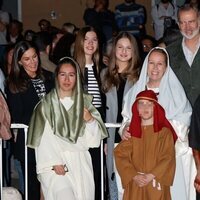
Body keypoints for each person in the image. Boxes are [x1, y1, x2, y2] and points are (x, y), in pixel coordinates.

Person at [119, 47, 196, 200]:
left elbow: (183, 122)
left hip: (167, 154)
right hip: (140, 156)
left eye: (160, 64)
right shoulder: (134, 91)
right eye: (151, 63)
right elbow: (127, 118)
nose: (155, 68)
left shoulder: (176, 93)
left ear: (166, 67)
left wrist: (159, 130)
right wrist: (125, 129)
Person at [27, 57, 108, 200]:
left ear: (76, 78)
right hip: (56, 164)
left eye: (71, 75)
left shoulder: (85, 103)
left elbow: (93, 142)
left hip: (81, 162)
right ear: (56, 76)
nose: (67, 79)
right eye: (62, 74)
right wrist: (53, 161)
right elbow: (43, 137)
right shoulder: (46, 105)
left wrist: (90, 121)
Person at [6, 41, 53, 199]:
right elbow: (17, 115)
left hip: (51, 139)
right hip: (30, 141)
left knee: (52, 184)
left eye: (34, 57)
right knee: (32, 186)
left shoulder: (47, 77)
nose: (33, 62)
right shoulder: (14, 83)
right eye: (27, 59)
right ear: (19, 61)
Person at [114, 90, 176, 199]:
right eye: (141, 103)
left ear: (155, 107)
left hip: (156, 182)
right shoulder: (132, 133)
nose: (145, 107)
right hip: (136, 184)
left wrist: (151, 175)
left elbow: (168, 157)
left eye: (149, 104)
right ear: (136, 108)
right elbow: (120, 154)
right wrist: (134, 175)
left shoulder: (164, 133)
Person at [101, 31, 140, 200]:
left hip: (131, 136)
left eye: (128, 48)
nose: (124, 51)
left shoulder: (139, 77)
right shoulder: (104, 75)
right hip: (110, 137)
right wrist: (103, 139)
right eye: (120, 47)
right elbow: (100, 109)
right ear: (114, 49)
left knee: (131, 184)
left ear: (134, 51)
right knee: (113, 184)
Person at [74, 26, 105, 200]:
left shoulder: (102, 68)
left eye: (94, 39)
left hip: (98, 127)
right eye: (86, 39)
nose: (90, 43)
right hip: (79, 129)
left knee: (98, 173)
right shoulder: (72, 67)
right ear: (80, 41)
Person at [167, 4, 200, 106]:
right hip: (181, 115)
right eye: (183, 23)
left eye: (191, 22)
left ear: (199, 21)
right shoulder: (169, 52)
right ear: (178, 24)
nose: (187, 27)